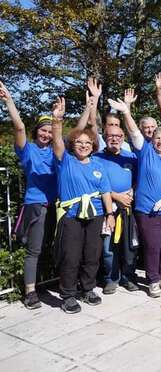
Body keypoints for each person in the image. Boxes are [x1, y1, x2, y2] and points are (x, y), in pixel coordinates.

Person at [109, 98, 161, 298]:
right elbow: (135, 133)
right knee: (153, 246)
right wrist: (126, 112)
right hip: (147, 211)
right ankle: (152, 279)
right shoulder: (145, 153)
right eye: (157, 138)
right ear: (153, 140)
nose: (160, 141)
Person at [51, 97, 114, 313]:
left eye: (88, 143)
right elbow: (57, 141)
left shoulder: (98, 164)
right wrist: (57, 121)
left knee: (92, 254)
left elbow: (105, 191)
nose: (84, 146)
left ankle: (87, 289)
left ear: (93, 146)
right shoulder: (65, 160)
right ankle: (68, 294)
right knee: (71, 255)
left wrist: (110, 214)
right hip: (72, 215)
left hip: (96, 214)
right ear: (73, 144)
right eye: (80, 142)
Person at [0, 81, 58, 309]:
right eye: (43, 130)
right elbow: (19, 127)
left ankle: (50, 282)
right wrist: (8, 101)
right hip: (37, 205)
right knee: (33, 249)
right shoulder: (28, 151)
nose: (46, 133)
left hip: (57, 205)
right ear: (37, 131)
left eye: (50, 131)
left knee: (53, 247)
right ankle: (30, 292)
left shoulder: (56, 151)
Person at [94, 124, 139, 294]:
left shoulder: (131, 157)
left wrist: (130, 192)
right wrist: (116, 196)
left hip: (127, 208)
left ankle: (128, 277)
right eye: (111, 136)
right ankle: (111, 278)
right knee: (108, 247)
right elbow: (96, 184)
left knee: (129, 245)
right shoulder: (97, 158)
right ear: (105, 138)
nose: (115, 139)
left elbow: (137, 180)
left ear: (123, 138)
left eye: (119, 136)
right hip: (108, 208)